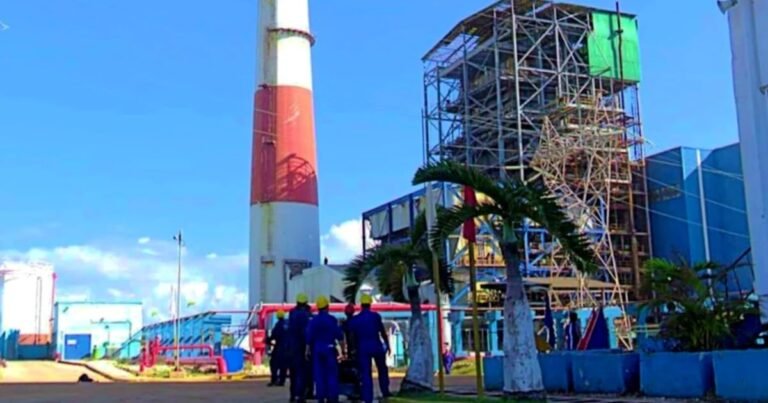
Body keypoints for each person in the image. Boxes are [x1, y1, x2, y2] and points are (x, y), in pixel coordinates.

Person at [349, 294, 392, 403]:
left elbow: (352, 336)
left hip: (363, 348)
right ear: (369, 304)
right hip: (376, 346)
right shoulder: (375, 316)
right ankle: (385, 391)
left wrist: (353, 350)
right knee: (382, 369)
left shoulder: (355, 319)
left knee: (366, 373)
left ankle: (367, 397)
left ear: (361, 305)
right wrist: (387, 344)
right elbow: (382, 331)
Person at [305, 295, 344, 403]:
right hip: (330, 348)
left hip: (317, 350)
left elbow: (309, 337)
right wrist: (343, 351)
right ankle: (332, 397)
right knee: (331, 374)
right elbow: (339, 336)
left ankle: (321, 397)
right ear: (327, 307)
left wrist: (307, 351)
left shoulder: (313, 321)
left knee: (319, 375)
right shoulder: (332, 320)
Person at [288, 293, 313, 402]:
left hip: (291, 347)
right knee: (302, 372)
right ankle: (301, 395)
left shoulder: (292, 313)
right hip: (301, 347)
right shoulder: (305, 315)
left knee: (293, 372)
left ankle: (293, 395)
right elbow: (306, 332)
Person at [267, 309, 289, 387]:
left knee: (273, 363)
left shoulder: (278, 325)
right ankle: (282, 381)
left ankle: (274, 379)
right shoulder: (288, 323)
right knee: (284, 365)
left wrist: (268, 340)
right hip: (288, 347)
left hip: (280, 347)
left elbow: (274, 336)